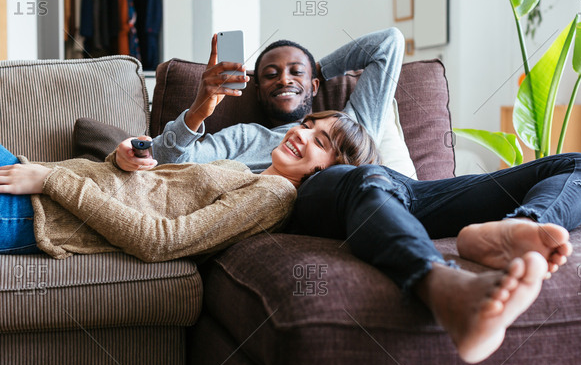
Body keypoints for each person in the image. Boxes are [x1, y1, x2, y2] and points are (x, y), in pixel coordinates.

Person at [286, 153, 581, 364]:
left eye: (321, 137)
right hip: (350, 189)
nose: (301, 134)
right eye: (303, 127)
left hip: (413, 192)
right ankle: (446, 287)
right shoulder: (265, 163)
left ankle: (517, 227)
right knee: (365, 179)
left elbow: (384, 45)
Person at [0, 111, 379, 261]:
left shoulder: (275, 196)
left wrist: (54, 182)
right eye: (309, 124)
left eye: (320, 142)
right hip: (32, 178)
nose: (302, 133)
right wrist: (122, 163)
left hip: (39, 213)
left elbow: (160, 241)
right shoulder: (241, 171)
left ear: (332, 170)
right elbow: (141, 193)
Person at [113, 27, 404, 173]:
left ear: (314, 86)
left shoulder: (350, 127)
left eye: (296, 72)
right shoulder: (244, 137)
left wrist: (321, 70)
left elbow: (388, 42)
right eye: (270, 74)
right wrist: (197, 111)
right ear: (258, 89)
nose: (284, 79)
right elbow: (168, 164)